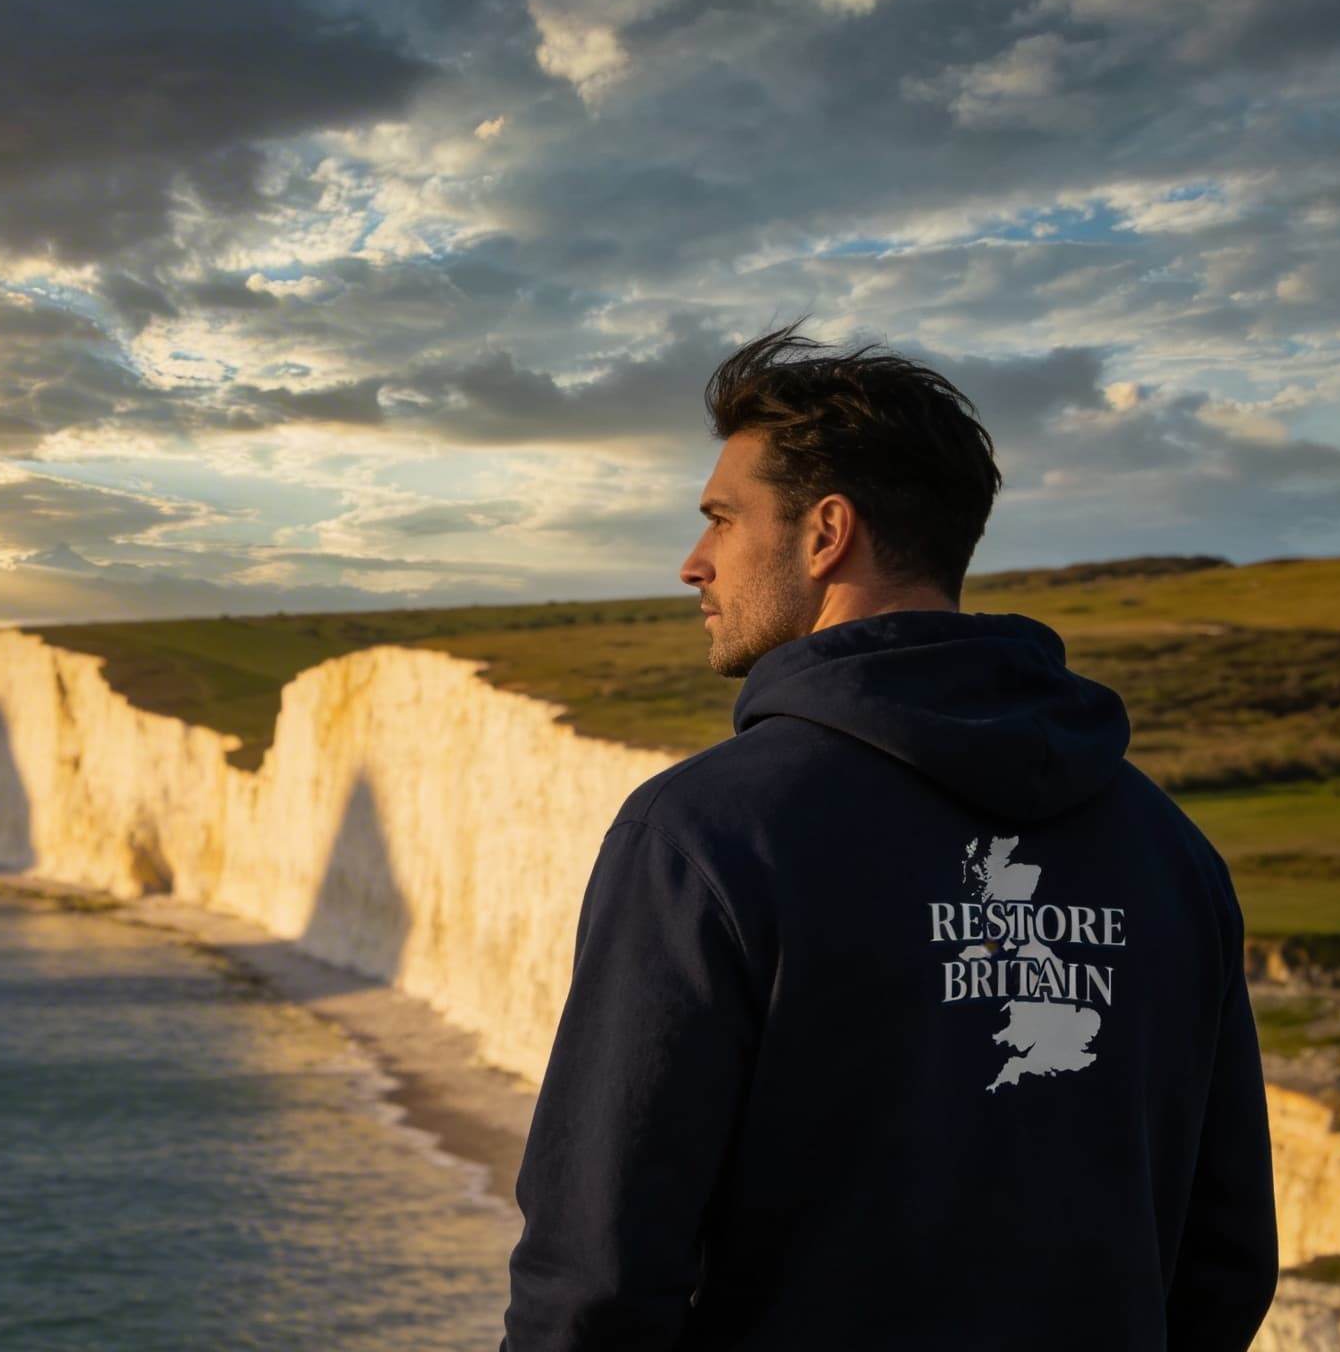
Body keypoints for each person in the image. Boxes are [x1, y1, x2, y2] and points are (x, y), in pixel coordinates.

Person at [497, 324, 1279, 1350]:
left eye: (721, 520)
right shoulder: (1167, 847)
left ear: (825, 534)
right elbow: (1224, 1260)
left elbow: (597, 1274)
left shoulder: (707, 832)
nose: (692, 563)